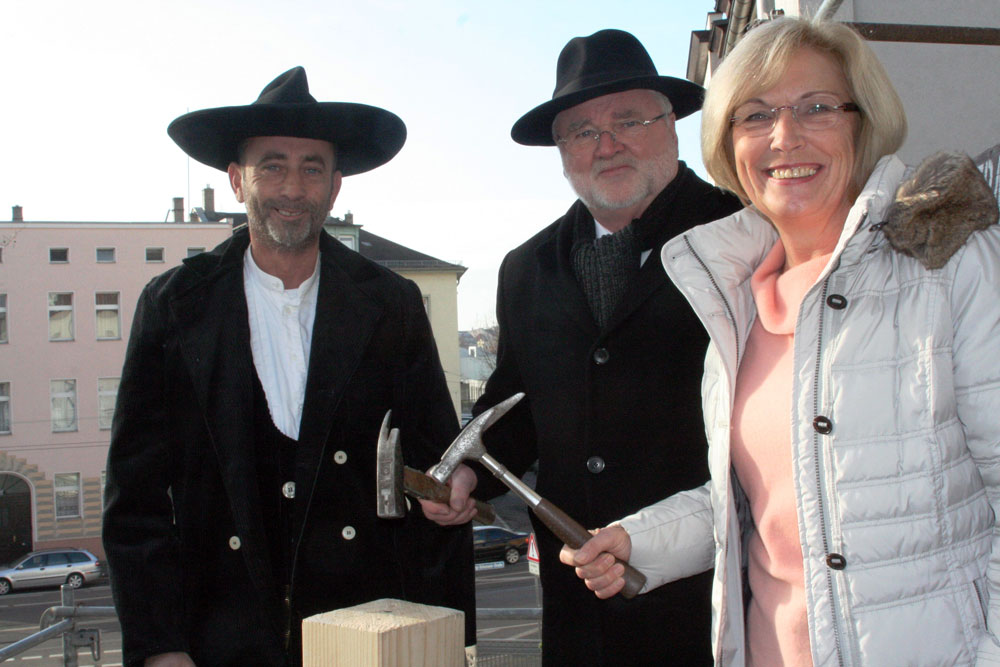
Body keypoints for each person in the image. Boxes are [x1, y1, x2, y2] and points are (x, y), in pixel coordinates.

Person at [563, 16, 1000, 666]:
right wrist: (641, 540)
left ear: (863, 122)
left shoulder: (952, 266)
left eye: (816, 107)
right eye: (756, 115)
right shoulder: (736, 298)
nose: (784, 136)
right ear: (728, 141)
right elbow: (769, 496)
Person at [102, 67, 475, 667]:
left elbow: (438, 459)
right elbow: (135, 499)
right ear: (236, 180)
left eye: (313, 169)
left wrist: (451, 490)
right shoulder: (174, 306)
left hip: (364, 633)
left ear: (335, 186)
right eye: (272, 166)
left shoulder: (391, 304)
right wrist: (159, 649)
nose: (293, 188)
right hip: (219, 640)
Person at [421, 30, 741, 665]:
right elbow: (514, 409)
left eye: (629, 120)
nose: (607, 144)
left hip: (713, 607)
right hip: (577, 616)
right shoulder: (527, 269)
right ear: (561, 152)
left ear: (672, 125)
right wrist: (468, 472)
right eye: (582, 132)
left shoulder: (742, 236)